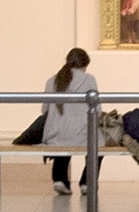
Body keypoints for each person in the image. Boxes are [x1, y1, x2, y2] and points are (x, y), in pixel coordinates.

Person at [41, 48, 99, 194]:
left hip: (55, 135)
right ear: (85, 64)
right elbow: (96, 110)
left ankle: (60, 179)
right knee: (98, 143)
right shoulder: (89, 79)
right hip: (81, 135)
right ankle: (87, 182)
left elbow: (44, 110)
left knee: (63, 138)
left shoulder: (52, 80)